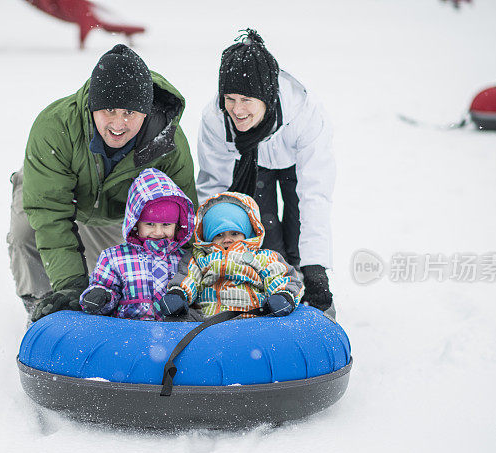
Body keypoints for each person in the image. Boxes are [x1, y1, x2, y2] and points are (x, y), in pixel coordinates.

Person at [7, 44, 198, 323]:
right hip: (61, 194)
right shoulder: (55, 127)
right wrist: (70, 285)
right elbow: (49, 214)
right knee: (28, 233)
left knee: (111, 280)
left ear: (145, 112)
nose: (118, 124)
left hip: (118, 213)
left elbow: (185, 222)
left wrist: (185, 286)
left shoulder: (167, 143)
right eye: (108, 109)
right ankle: (40, 305)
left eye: (130, 113)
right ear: (92, 106)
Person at [196, 29, 336, 317]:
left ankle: (302, 282)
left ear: (267, 96)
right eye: (230, 98)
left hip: (294, 161)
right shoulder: (215, 119)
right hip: (250, 163)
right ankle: (274, 284)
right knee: (266, 232)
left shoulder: (306, 114)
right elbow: (215, 189)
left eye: (247, 99)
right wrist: (211, 252)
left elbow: (315, 195)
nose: (237, 109)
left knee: (297, 225)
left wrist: (316, 269)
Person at [157, 192, 304, 319]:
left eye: (234, 233)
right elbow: (189, 277)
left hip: (253, 316)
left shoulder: (263, 257)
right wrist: (178, 294)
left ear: (246, 233)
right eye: (219, 234)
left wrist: (283, 295)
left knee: (280, 321)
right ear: (209, 238)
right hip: (207, 320)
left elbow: (280, 276)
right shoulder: (199, 258)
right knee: (179, 320)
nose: (227, 239)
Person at [79, 168, 195, 321]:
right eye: (150, 224)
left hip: (171, 333)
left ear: (177, 225)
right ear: (135, 223)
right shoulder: (114, 257)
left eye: (166, 224)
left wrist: (182, 301)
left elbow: (193, 288)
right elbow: (105, 285)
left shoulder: (185, 259)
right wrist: (101, 296)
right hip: (128, 332)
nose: (158, 232)